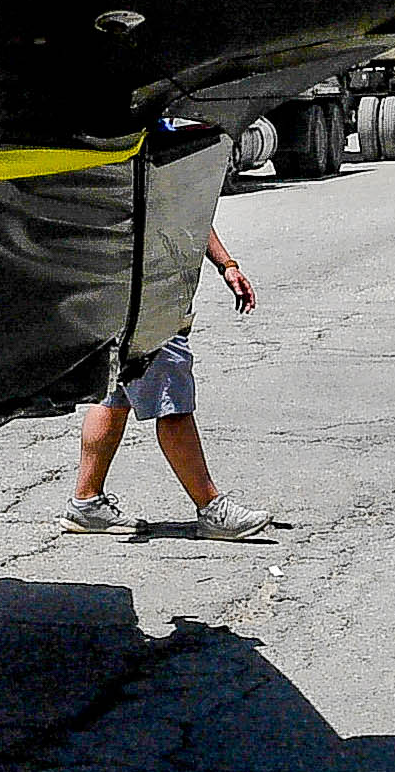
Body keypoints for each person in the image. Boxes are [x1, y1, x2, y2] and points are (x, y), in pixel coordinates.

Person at [63, 219, 275, 540]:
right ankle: (211, 509)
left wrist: (227, 265)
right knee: (172, 401)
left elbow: (191, 211)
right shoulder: (139, 183)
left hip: (119, 288)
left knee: (115, 396)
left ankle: (86, 502)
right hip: (147, 295)